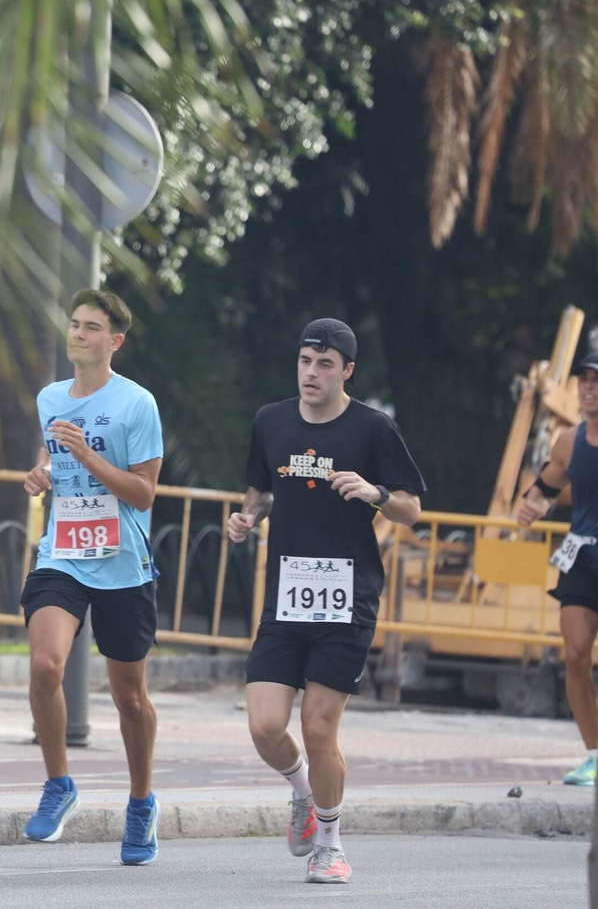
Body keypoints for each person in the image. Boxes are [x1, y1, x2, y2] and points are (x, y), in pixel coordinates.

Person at [226, 318, 425, 885]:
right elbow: (261, 489)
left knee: (318, 727)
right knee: (265, 725)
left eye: (325, 365)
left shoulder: (373, 429)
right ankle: (303, 795)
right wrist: (247, 517)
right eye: (305, 362)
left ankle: (331, 846)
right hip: (286, 594)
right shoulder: (272, 421)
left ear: (347, 371)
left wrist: (376, 493)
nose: (312, 373)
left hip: (349, 599)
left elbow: (412, 507)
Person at [17, 289, 165, 865]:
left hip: (124, 561)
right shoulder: (50, 396)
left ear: (115, 341)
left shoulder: (137, 404)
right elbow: (55, 457)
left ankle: (141, 802)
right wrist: (44, 471)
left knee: (130, 697)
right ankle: (59, 785)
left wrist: (86, 456)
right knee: (44, 663)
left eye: (91, 327)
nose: (78, 334)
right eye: (74, 324)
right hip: (64, 552)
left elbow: (144, 491)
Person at [514, 351, 598, 788]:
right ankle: (595, 755)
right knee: (574, 654)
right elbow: (546, 486)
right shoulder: (569, 441)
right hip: (582, 559)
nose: (589, 387)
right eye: (583, 380)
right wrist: (532, 506)